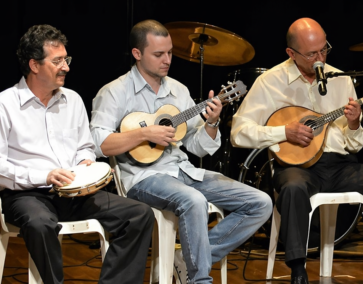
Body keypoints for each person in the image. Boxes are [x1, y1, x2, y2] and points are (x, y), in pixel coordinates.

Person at [231, 17, 363, 284]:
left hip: (340, 166)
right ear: (291, 53)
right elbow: (238, 132)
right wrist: (284, 132)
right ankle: (298, 270)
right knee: (293, 189)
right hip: (294, 167)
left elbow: (355, 144)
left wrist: (354, 124)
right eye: (311, 54)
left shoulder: (340, 80)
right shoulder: (269, 82)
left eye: (324, 49)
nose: (320, 58)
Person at [89, 19, 272, 284]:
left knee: (260, 203)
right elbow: (97, 143)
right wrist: (143, 133)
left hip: (184, 170)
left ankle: (187, 260)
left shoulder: (179, 90)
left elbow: (197, 145)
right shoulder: (114, 92)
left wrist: (211, 122)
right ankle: (199, 280)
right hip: (143, 178)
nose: (167, 60)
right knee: (193, 201)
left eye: (170, 53)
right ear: (137, 54)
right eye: (159, 54)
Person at [0, 24, 155, 284]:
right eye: (57, 60)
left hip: (74, 191)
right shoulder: (3, 105)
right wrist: (43, 175)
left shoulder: (72, 100)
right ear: (34, 65)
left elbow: (85, 145)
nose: (66, 67)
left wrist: (86, 161)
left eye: (66, 59)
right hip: (26, 195)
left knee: (139, 214)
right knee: (40, 224)